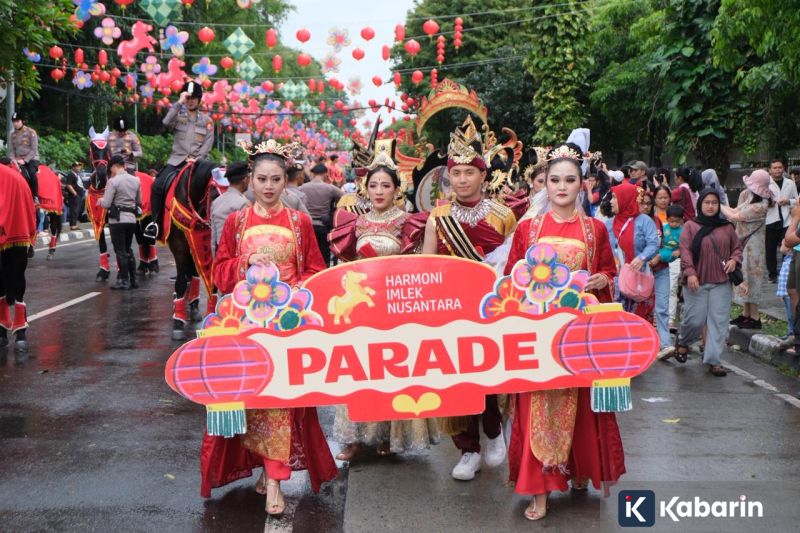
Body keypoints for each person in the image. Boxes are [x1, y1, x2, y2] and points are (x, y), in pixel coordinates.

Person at [205, 138, 337, 515]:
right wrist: (245, 265)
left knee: (281, 404)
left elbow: (315, 270)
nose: (267, 186)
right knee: (254, 404)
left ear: (286, 180)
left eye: (276, 179)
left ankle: (276, 481)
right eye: (261, 178)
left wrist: (294, 293)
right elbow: (220, 272)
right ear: (250, 179)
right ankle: (266, 467)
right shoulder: (236, 222)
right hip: (247, 325)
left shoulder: (299, 223)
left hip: (287, 324)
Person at [504, 143, 623, 521]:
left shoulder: (594, 230)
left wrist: (599, 280)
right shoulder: (527, 228)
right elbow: (511, 278)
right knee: (536, 403)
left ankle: (574, 469)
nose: (561, 186)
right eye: (554, 179)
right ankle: (539, 489)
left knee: (581, 406)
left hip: (580, 333)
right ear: (545, 184)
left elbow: (609, 272)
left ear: (582, 185)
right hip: (538, 332)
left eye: (570, 180)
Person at [329, 139, 440, 460]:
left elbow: (422, 268)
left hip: (396, 309)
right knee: (357, 371)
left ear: (396, 189)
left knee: (391, 372)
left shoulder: (410, 223)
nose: (379, 191)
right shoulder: (355, 223)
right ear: (365, 188)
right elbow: (345, 269)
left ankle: (388, 436)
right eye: (374, 185)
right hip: (362, 309)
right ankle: (353, 437)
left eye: (385, 185)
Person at [420, 116, 516, 481]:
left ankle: (493, 431)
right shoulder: (438, 216)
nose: (461, 179)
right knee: (455, 380)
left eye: (468, 172)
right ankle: (467, 448)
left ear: (482, 174)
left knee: (487, 374)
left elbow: (513, 265)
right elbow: (428, 265)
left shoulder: (503, 215)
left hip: (490, 310)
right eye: (455, 173)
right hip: (449, 309)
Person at [672, 189, 742, 376]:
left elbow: (736, 248)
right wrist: (691, 273)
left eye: (714, 202)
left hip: (721, 281)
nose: (711, 206)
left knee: (718, 322)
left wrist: (734, 260)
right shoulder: (690, 226)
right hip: (697, 281)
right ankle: (683, 340)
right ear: (700, 204)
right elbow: (685, 250)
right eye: (707, 202)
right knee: (695, 320)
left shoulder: (727, 227)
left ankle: (713, 360)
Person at [144, 81, 214, 240]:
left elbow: (207, 145)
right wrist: (179, 102)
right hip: (176, 162)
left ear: (199, 99)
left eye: (193, 98)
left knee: (215, 188)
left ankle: (212, 223)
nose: (190, 101)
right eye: (188, 98)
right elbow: (166, 123)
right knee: (156, 186)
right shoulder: (178, 117)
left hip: (198, 163)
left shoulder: (207, 121)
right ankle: (155, 224)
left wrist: (196, 160)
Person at [722, 170, 772, 329]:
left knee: (752, 279)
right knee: (745, 276)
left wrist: (717, 203)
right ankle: (746, 314)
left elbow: (734, 216)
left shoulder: (760, 206)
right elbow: (736, 210)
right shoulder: (751, 198)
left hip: (754, 248)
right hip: (745, 245)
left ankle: (755, 317)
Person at [605, 182, 660, 318]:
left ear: (626, 198)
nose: (611, 202)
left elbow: (654, 243)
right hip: (617, 280)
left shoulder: (644, 221)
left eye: (614, 197)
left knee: (637, 319)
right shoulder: (609, 224)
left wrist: (642, 258)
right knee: (617, 318)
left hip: (639, 278)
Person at [0, 164, 37, 351]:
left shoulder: (15, 178)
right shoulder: (14, 176)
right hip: (13, 232)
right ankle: (3, 324)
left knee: (16, 277)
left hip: (16, 231)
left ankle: (20, 326)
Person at [99, 155, 141, 291]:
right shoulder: (136, 180)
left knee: (120, 251)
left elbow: (106, 203)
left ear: (114, 166)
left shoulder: (113, 181)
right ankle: (133, 280)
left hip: (117, 220)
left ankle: (124, 281)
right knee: (128, 249)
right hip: (131, 219)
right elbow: (138, 201)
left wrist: (99, 201)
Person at [640, 188, 673, 358]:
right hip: (640, 273)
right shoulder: (633, 223)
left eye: (648, 204)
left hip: (660, 269)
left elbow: (667, 244)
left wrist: (660, 256)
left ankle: (665, 344)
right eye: (642, 203)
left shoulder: (658, 221)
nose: (645, 207)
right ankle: (643, 342)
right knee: (642, 309)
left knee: (662, 307)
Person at [298, 163, 343, 265]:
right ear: (325, 174)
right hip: (323, 226)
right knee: (324, 256)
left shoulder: (302, 188)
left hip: (307, 225)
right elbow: (345, 197)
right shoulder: (330, 188)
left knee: (308, 255)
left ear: (313, 174)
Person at [765, 159, 797, 283]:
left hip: (787, 219)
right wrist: (769, 203)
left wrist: (788, 201)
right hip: (771, 219)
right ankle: (772, 274)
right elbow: (760, 200)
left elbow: (796, 200)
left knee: (787, 246)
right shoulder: (766, 183)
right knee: (770, 249)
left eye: (780, 167)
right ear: (770, 170)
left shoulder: (790, 183)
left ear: (783, 169)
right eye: (775, 168)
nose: (778, 170)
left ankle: (787, 272)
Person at [210, 161, 249, 255]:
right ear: (245, 180)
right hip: (235, 254)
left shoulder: (216, 202)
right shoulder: (243, 203)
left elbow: (213, 238)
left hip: (220, 253)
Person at [661, 205, 685, 332]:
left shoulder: (684, 231)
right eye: (671, 221)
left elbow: (687, 246)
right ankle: (658, 317)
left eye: (676, 221)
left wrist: (680, 250)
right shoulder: (663, 228)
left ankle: (670, 319)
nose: (673, 224)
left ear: (682, 220)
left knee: (672, 288)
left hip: (675, 261)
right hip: (662, 260)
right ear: (667, 219)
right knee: (661, 289)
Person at [7, 111, 40, 201]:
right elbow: (11, 150)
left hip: (32, 158)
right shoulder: (12, 134)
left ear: (22, 121)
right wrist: (13, 159)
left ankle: (35, 196)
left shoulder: (31, 132)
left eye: (17, 121)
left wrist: (25, 160)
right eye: (14, 122)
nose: (15, 123)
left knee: (32, 173)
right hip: (17, 159)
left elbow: (34, 149)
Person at [64, 162, 83, 230]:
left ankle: (74, 224)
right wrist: (75, 193)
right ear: (73, 167)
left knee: (77, 210)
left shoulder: (77, 175)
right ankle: (73, 225)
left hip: (79, 195)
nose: (79, 168)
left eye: (79, 166)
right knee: (74, 210)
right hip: (74, 196)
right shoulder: (71, 175)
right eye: (77, 166)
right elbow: (68, 185)